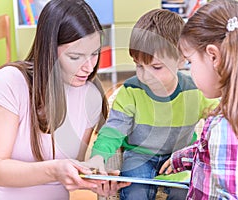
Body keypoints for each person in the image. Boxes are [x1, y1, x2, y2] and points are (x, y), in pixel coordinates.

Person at [0, 0, 130, 199]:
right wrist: (54, 170)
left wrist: (93, 180)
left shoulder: (90, 95)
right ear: (49, 50)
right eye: (75, 57)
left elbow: (70, 172)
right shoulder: (10, 82)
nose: (89, 67)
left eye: (95, 54)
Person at [86, 9, 218, 200]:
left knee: (184, 192)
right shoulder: (130, 92)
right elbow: (112, 131)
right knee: (134, 192)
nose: (145, 75)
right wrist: (98, 157)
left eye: (156, 67)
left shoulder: (196, 90)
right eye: (139, 65)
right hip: (139, 156)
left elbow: (222, 113)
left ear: (182, 59)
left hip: (179, 158)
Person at [159, 0, 238, 199]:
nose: (190, 70)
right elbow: (215, 152)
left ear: (214, 56)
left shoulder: (228, 128)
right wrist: (183, 158)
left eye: (190, 61)